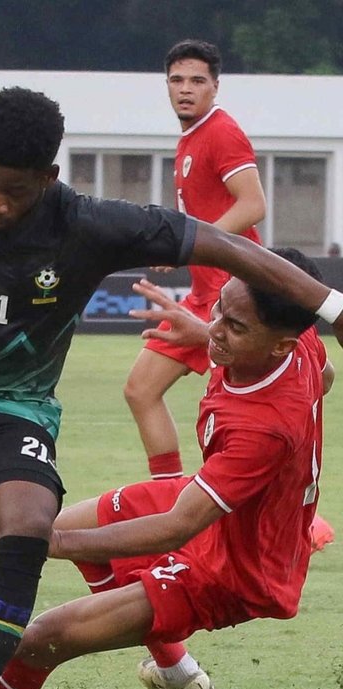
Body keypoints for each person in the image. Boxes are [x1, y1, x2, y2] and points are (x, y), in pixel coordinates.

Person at [0, 84, 328, 689]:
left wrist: (41, 546)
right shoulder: (300, 353)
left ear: (50, 180)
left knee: (35, 582)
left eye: (234, 325)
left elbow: (179, 527)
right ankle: (171, 665)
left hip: (217, 548)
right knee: (80, 526)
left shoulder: (263, 428)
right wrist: (215, 334)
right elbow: (296, 353)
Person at [124, 39, 266, 480]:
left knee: (237, 418)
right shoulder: (190, 139)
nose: (186, 89)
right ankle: (170, 498)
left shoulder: (221, 131)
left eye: (197, 81)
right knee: (140, 390)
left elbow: (253, 205)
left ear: (215, 87)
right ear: (166, 85)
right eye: (177, 80)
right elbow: (207, 218)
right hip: (206, 294)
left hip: (236, 297)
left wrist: (194, 243)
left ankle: (274, 513)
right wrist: (180, 249)